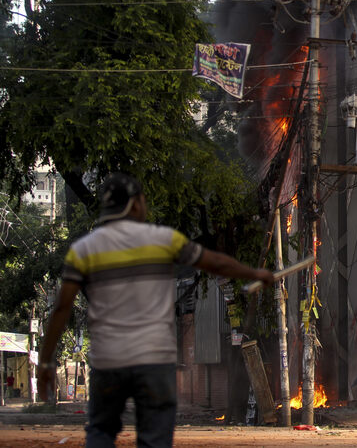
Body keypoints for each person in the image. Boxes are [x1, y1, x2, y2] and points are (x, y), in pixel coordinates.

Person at [37, 172, 274, 448]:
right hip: (153, 360)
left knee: (101, 430)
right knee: (155, 437)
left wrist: (46, 361)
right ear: (135, 204)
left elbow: (61, 309)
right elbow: (217, 263)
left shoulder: (85, 249)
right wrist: (255, 272)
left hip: (109, 360)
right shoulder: (162, 240)